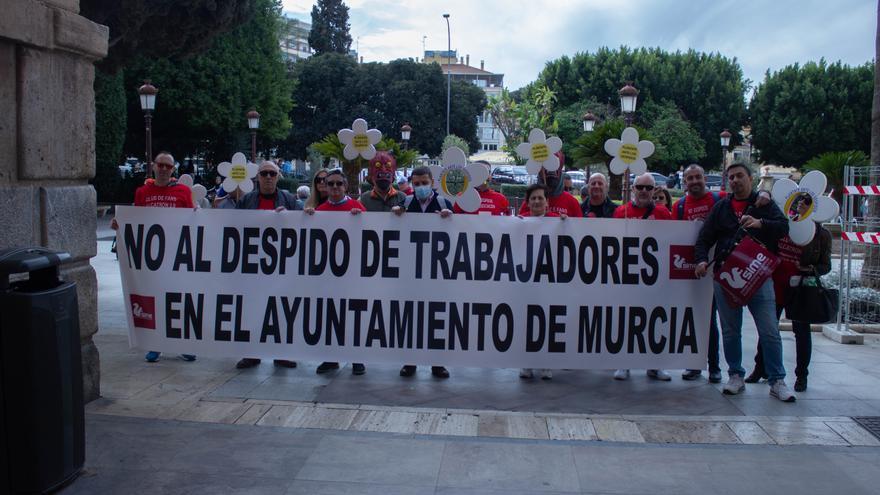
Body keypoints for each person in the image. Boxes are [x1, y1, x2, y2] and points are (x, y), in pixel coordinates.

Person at [694, 162, 796, 402]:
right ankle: (735, 375)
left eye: (740, 176)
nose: (735, 180)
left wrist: (761, 223)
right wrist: (700, 260)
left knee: (769, 331)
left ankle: (777, 380)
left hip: (758, 275)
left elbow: (783, 228)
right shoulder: (722, 208)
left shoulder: (764, 205)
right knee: (730, 332)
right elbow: (704, 238)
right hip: (727, 278)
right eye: (731, 177)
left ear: (751, 179)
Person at [112, 151, 196, 364]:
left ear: (173, 170)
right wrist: (120, 224)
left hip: (177, 257)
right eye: (161, 165)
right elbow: (135, 222)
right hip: (152, 259)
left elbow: (193, 221)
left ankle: (183, 343)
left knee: (178, 300)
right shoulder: (142, 192)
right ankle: (156, 345)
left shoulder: (183, 192)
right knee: (155, 301)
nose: (164, 169)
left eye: (168, 166)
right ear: (154, 166)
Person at [746, 198, 832, 392]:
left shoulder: (821, 235)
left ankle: (802, 375)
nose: (800, 208)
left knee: (801, 333)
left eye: (805, 205)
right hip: (775, 284)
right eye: (798, 204)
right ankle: (761, 367)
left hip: (800, 289)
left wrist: (809, 268)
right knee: (768, 330)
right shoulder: (783, 224)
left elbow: (826, 265)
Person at [234, 161, 301, 370]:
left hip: (282, 267)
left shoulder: (289, 200)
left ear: (278, 176)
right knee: (252, 309)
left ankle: (280, 354)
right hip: (253, 267)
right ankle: (252, 354)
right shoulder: (246, 201)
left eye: (272, 173)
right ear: (258, 177)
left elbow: (304, 222)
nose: (269, 177)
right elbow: (231, 226)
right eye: (264, 173)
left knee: (281, 310)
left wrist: (289, 217)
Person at [392, 166, 454, 378]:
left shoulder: (445, 203)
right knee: (411, 316)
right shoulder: (407, 202)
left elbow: (459, 232)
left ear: (432, 182)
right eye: (416, 184)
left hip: (438, 273)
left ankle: (437, 363)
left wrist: (451, 218)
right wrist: (397, 214)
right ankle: (410, 362)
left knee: (437, 317)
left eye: (424, 183)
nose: (420, 187)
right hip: (411, 272)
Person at [305, 169, 368, 375]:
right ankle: (331, 358)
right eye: (329, 183)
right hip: (328, 276)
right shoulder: (320, 210)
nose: (334, 187)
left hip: (353, 275)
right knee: (329, 316)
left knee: (353, 317)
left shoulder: (357, 207)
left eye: (338, 184)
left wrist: (361, 219)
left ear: (345, 186)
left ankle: (357, 359)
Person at [612, 173, 672, 381]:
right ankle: (624, 364)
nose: (644, 191)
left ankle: (655, 365)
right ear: (633, 189)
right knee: (626, 321)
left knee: (655, 321)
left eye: (648, 188)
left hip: (654, 278)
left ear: (654, 190)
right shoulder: (621, 211)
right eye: (640, 187)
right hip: (627, 277)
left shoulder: (664, 213)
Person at [673, 164, 726, 383]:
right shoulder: (680, 206)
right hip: (690, 270)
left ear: (704, 178)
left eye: (697, 177)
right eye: (689, 178)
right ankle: (694, 365)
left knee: (710, 320)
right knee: (691, 319)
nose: (694, 181)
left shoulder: (720, 199)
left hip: (715, 269)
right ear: (685, 182)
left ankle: (714, 367)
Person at [517, 184, 566, 380]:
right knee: (527, 321)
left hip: (550, 281)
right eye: (533, 198)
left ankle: (546, 363)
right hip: (527, 281)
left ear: (547, 202)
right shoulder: (520, 222)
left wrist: (566, 224)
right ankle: (527, 362)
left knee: (548, 321)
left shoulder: (557, 221)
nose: (537, 201)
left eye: (540, 198)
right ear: (528, 202)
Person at [518, 153, 582, 218]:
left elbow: (578, 226)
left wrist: (566, 223)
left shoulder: (571, 202)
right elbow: (520, 224)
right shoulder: (530, 202)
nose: (537, 201)